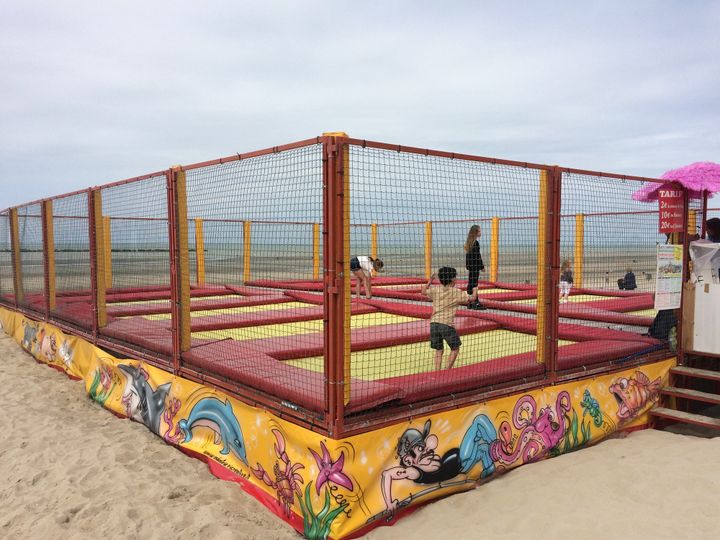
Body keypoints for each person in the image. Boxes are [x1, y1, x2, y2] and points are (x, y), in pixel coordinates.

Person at [422, 267, 479, 370]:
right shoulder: (456, 292)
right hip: (446, 324)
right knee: (455, 348)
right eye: (455, 277)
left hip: (434, 323)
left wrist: (430, 281)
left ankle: (437, 370)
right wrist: (475, 291)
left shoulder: (436, 290)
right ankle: (447, 369)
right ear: (453, 279)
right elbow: (472, 299)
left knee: (439, 350)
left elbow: (423, 291)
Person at [464, 224, 485, 310]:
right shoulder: (475, 243)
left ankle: (470, 302)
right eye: (479, 231)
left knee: (471, 283)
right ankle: (475, 302)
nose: (481, 232)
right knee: (474, 284)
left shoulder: (469, 242)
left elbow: (468, 256)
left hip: (471, 266)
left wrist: (467, 266)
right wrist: (482, 266)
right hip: (475, 266)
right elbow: (477, 256)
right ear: (475, 232)